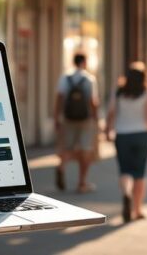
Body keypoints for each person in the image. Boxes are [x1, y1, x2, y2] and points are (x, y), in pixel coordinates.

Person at [104, 62, 147, 223]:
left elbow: (111, 113)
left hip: (122, 135)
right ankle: (137, 209)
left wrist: (107, 130)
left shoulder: (119, 92)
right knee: (140, 173)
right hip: (142, 135)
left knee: (125, 170)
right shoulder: (146, 92)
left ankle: (126, 194)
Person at [54, 52, 99, 193]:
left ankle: (61, 167)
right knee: (85, 149)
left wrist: (56, 117)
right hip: (85, 119)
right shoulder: (89, 79)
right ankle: (82, 182)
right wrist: (96, 119)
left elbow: (59, 99)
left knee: (67, 148)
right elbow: (93, 101)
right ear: (84, 62)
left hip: (68, 118)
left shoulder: (65, 78)